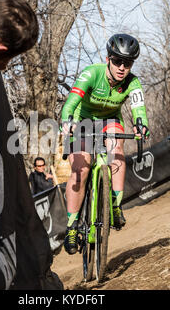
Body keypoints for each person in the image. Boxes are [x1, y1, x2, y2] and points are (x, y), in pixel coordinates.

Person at [60, 33, 150, 255]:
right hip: (82, 120)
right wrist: (67, 119)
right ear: (108, 58)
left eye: (127, 63)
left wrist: (142, 126)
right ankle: (72, 226)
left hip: (110, 121)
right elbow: (71, 101)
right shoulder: (92, 73)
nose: (122, 67)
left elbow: (139, 111)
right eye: (117, 61)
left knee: (116, 148)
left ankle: (116, 206)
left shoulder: (133, 82)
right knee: (81, 168)